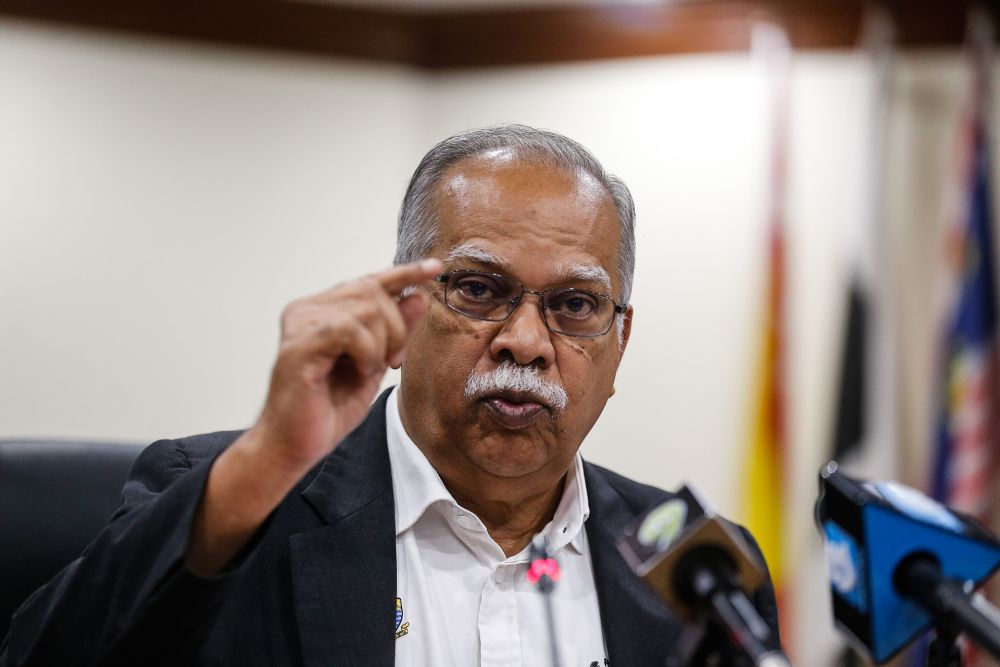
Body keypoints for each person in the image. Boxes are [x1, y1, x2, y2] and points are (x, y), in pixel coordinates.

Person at [1, 125, 779, 666]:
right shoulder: (234, 507)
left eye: (574, 305)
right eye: (479, 289)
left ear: (620, 340)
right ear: (402, 308)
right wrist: (268, 457)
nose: (527, 341)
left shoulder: (700, 565)